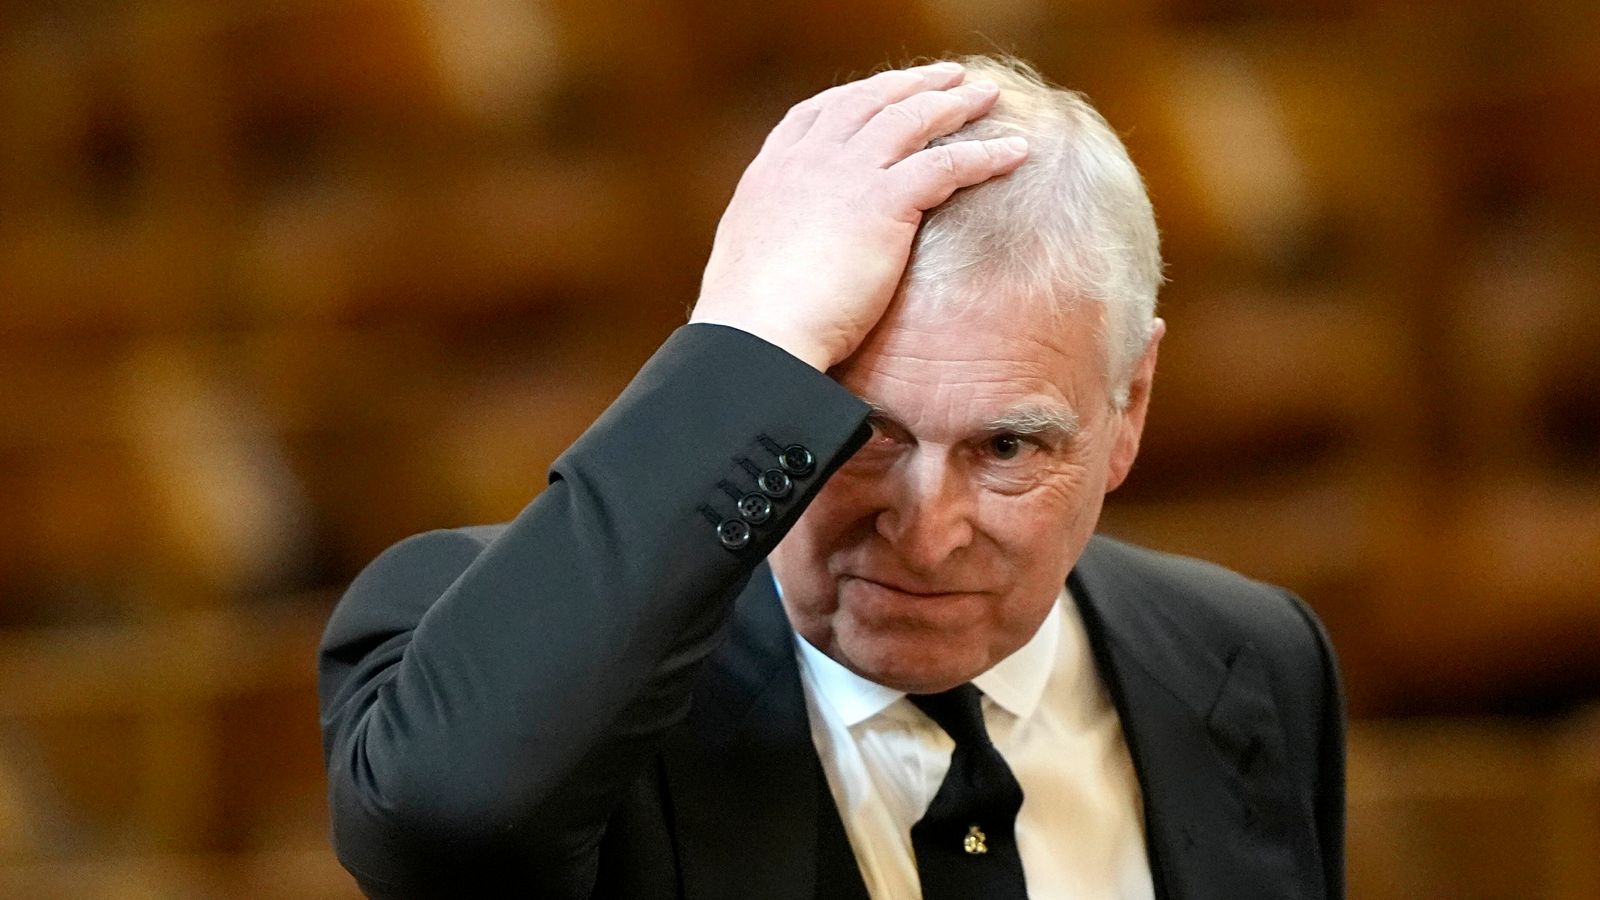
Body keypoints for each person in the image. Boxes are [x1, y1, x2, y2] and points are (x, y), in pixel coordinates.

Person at [318, 55, 1344, 899]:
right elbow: (442, 825)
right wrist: (743, 337)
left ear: (1129, 408)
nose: (928, 532)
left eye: (1006, 449)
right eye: (866, 435)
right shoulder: (533, 673)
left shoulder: (1248, 659)